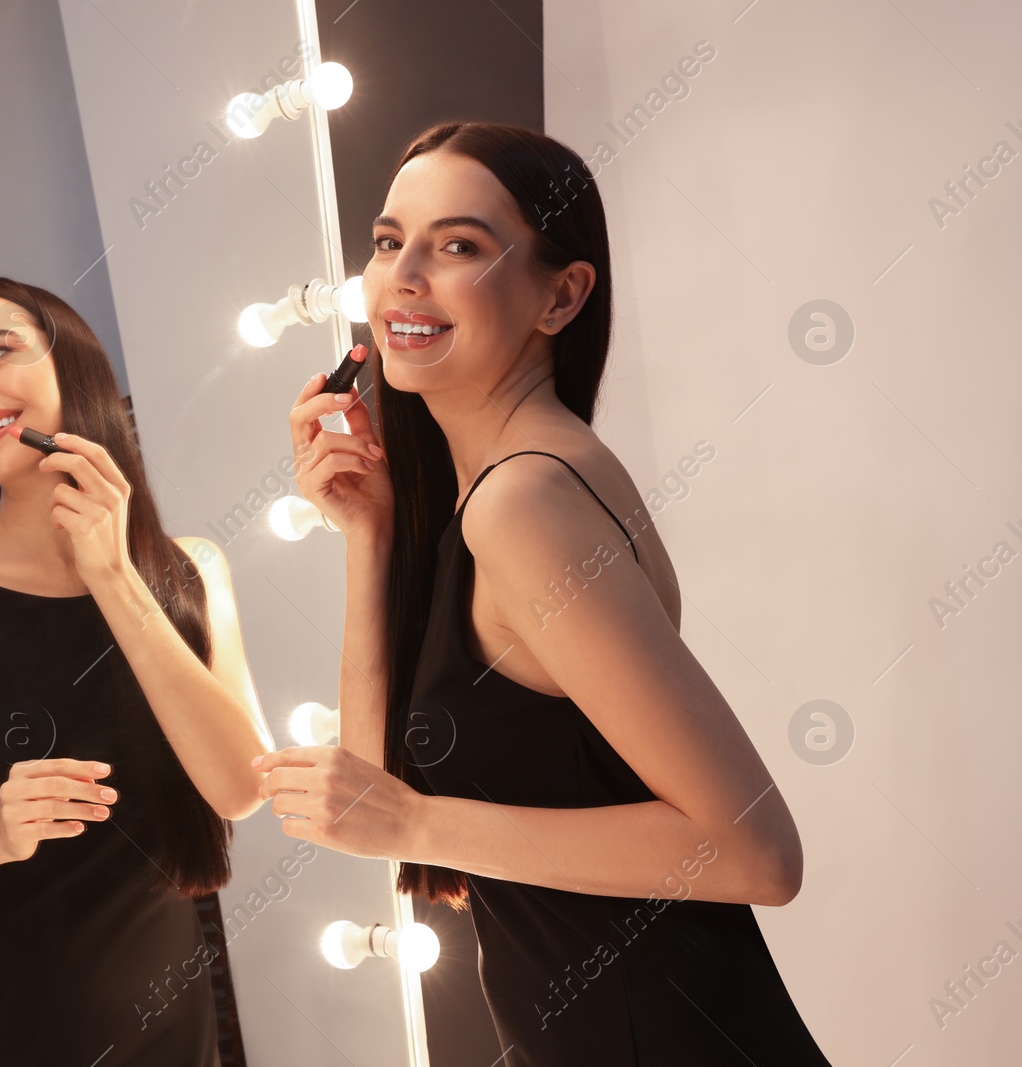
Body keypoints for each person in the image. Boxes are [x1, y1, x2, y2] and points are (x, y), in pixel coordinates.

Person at [255, 123, 833, 1064]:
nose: (404, 275)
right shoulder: (499, 491)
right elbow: (379, 806)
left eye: (458, 246)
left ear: (560, 296)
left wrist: (415, 821)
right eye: (390, 240)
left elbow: (756, 853)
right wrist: (370, 534)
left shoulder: (524, 502)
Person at [0, 277, 272, 1066]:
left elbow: (241, 785)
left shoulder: (192, 573)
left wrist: (112, 576)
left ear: (74, 367)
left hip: (164, 1019)